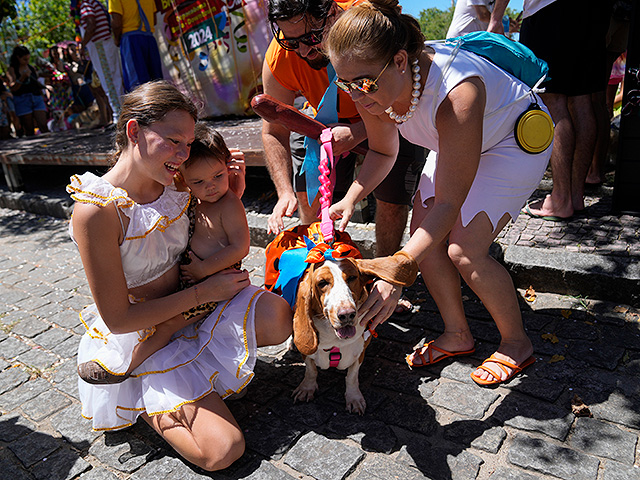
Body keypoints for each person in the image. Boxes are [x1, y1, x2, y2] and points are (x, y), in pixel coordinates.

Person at [324, 0, 553, 385]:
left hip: (512, 141)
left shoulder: (456, 93)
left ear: (399, 61)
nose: (357, 97)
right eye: (344, 84)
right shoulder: (370, 81)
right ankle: (457, 334)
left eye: (362, 85)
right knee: (424, 242)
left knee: (464, 249)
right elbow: (383, 150)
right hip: (457, 144)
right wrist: (350, 196)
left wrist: (395, 271)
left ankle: (517, 343)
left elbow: (449, 203)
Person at [66, 80, 292, 471]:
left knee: (279, 317)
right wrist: (203, 294)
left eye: (188, 143)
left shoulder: (178, 183)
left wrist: (228, 194)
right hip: (147, 329)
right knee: (223, 451)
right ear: (134, 131)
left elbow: (208, 219)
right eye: (174, 141)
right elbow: (119, 319)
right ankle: (142, 389)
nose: (184, 155)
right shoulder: (97, 211)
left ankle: (199, 383)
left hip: (196, 305)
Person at [263, 0, 427, 312]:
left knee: (391, 201)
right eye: (290, 41)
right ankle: (323, 282)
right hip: (324, 124)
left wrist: (357, 133)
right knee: (312, 205)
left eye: (310, 38)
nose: (301, 51)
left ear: (333, 14)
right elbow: (273, 130)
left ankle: (381, 280)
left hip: (391, 116)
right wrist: (284, 191)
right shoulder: (278, 58)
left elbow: (402, 95)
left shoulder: (367, 21)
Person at [488, 0, 611, 220]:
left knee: (553, 102)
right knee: (582, 100)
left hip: (550, 9)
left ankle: (560, 199)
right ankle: (575, 195)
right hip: (595, 11)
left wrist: (497, 18)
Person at [75, 0, 123, 124]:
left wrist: (83, 44)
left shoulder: (86, 4)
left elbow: (91, 24)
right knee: (114, 80)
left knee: (109, 82)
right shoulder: (96, 3)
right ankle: (120, 113)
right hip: (105, 44)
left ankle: (119, 115)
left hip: (100, 46)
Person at [108, 0, 163, 92]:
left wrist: (116, 39)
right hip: (149, 38)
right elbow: (154, 20)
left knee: (138, 87)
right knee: (157, 83)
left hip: (131, 40)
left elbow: (116, 23)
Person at [6, 46, 50, 136]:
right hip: (22, 99)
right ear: (18, 57)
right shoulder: (12, 69)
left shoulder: (31, 68)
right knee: (29, 128)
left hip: (36, 97)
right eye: (24, 59)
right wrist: (22, 77)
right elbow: (13, 87)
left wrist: (43, 92)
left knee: (43, 125)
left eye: (28, 59)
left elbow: (36, 82)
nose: (27, 62)